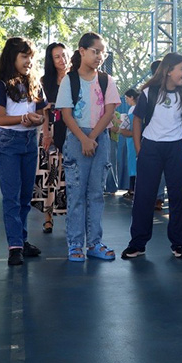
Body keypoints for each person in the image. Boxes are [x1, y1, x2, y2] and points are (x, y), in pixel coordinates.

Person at [121, 53, 182, 259]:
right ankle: (137, 243)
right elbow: (137, 119)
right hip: (151, 148)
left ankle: (179, 243)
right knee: (144, 196)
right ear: (168, 71)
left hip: (175, 148)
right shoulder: (149, 92)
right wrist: (139, 148)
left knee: (178, 197)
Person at [56, 32, 121, 262]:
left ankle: (94, 243)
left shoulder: (106, 80)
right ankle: (75, 244)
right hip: (76, 139)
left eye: (103, 52)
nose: (100, 56)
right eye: (95, 51)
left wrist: (91, 137)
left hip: (99, 138)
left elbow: (109, 111)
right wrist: (83, 139)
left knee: (96, 194)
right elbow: (66, 114)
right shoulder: (70, 80)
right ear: (82, 51)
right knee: (76, 194)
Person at [0, 37, 46, 266]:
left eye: (31, 57)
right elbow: (0, 119)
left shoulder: (35, 82)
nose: (28, 61)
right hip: (9, 143)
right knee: (11, 196)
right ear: (11, 57)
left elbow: (42, 114)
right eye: (24, 56)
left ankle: (22, 240)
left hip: (30, 142)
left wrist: (36, 120)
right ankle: (14, 246)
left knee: (25, 197)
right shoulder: (1, 83)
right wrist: (24, 118)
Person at [33, 42, 70, 234]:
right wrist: (47, 133)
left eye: (64, 54)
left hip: (71, 130)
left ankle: (71, 217)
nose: (62, 59)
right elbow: (43, 110)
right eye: (57, 57)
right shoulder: (44, 81)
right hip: (50, 130)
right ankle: (48, 218)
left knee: (69, 175)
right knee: (49, 173)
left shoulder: (75, 77)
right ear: (51, 60)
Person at [118, 88, 139, 200]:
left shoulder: (133, 109)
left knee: (132, 164)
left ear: (132, 97)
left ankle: (132, 189)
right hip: (132, 140)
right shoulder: (134, 109)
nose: (126, 100)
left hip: (132, 140)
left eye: (127, 98)